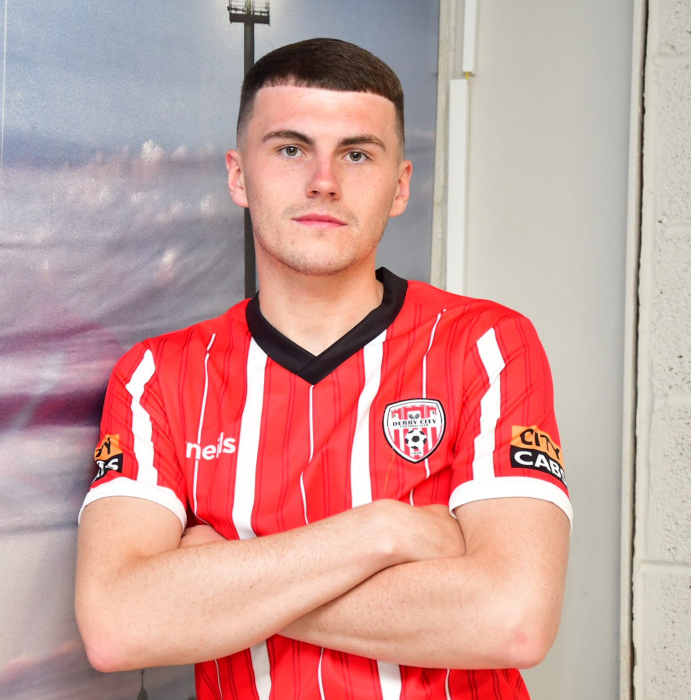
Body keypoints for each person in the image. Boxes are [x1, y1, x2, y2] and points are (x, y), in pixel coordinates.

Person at [75, 38, 572, 699]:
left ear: (400, 186)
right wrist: (382, 531)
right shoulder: (156, 378)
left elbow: (513, 620)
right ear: (238, 176)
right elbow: (118, 625)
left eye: (357, 154)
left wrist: (221, 582)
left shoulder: (486, 345)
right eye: (290, 149)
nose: (323, 181)